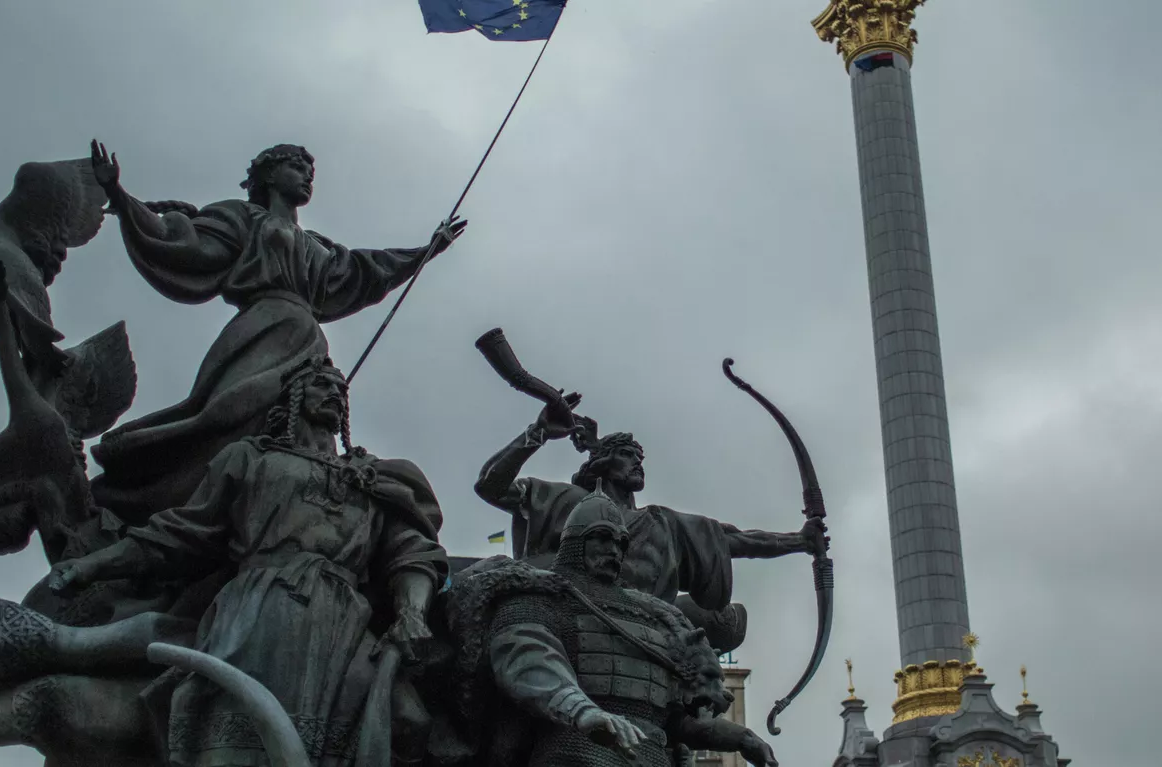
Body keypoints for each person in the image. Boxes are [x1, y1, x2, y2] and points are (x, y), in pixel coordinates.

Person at [46, 357, 448, 767]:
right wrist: (93, 565)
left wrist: (412, 611)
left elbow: (412, 551)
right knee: (240, 738)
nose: (334, 394)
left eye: (340, 389)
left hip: (345, 619)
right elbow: (182, 531)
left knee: (407, 720)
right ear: (293, 396)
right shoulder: (251, 459)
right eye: (321, 385)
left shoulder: (374, 478)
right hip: (260, 609)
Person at [84, 141, 467, 521]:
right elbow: (184, 243)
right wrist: (119, 196)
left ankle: (284, 513)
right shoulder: (243, 218)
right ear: (269, 173)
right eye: (298, 168)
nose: (307, 178)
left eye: (310, 173)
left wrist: (424, 251)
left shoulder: (317, 245)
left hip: (309, 342)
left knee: (303, 431)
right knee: (224, 417)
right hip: (260, 328)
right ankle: (158, 497)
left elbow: (366, 271)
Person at [444, 495, 778, 767]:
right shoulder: (541, 595)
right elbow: (526, 657)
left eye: (621, 542)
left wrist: (740, 738)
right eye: (602, 538)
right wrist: (583, 711)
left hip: (650, 757)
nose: (614, 550)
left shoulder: (652, 616)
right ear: (574, 542)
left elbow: (671, 716)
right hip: (576, 751)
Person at [474, 399, 827, 622]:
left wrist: (799, 541)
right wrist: (537, 433)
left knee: (728, 622)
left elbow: (735, 540)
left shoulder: (663, 523)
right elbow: (490, 485)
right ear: (603, 462)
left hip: (644, 627)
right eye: (629, 455)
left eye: (640, 458)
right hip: (572, 620)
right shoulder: (568, 502)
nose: (638, 463)